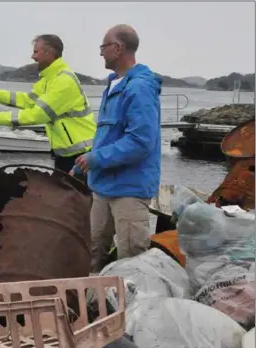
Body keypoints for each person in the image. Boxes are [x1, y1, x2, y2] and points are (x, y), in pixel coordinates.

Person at [71, 24, 162, 272]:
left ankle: (133, 309)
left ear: (118, 48)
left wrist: (96, 158)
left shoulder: (139, 87)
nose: (100, 52)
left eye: (103, 46)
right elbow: (107, 135)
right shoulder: (113, 85)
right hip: (103, 187)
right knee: (92, 251)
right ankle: (93, 303)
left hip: (129, 191)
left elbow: (141, 142)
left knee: (131, 261)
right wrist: (83, 164)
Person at [0, 34, 97, 173]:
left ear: (48, 53)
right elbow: (28, 101)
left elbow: (38, 115)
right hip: (65, 156)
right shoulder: (49, 80)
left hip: (82, 155)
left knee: (80, 195)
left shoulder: (63, 81)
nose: (32, 57)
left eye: (36, 52)